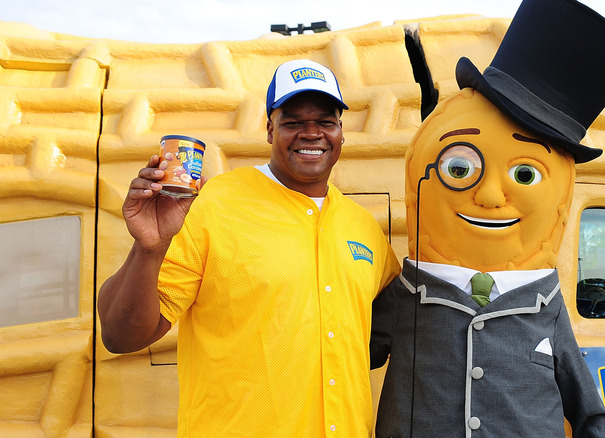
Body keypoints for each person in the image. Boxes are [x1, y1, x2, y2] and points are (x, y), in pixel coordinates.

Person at [370, 0, 605, 436]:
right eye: (461, 169)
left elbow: (588, 408)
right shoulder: (407, 296)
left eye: (525, 174)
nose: (492, 195)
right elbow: (337, 356)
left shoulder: (545, 305)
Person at [98, 59, 400, 437]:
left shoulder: (363, 227)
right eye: (293, 122)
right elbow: (120, 336)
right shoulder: (213, 204)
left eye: (325, 121)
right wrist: (149, 248)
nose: (312, 133)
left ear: (341, 132)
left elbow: (382, 331)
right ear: (270, 129)